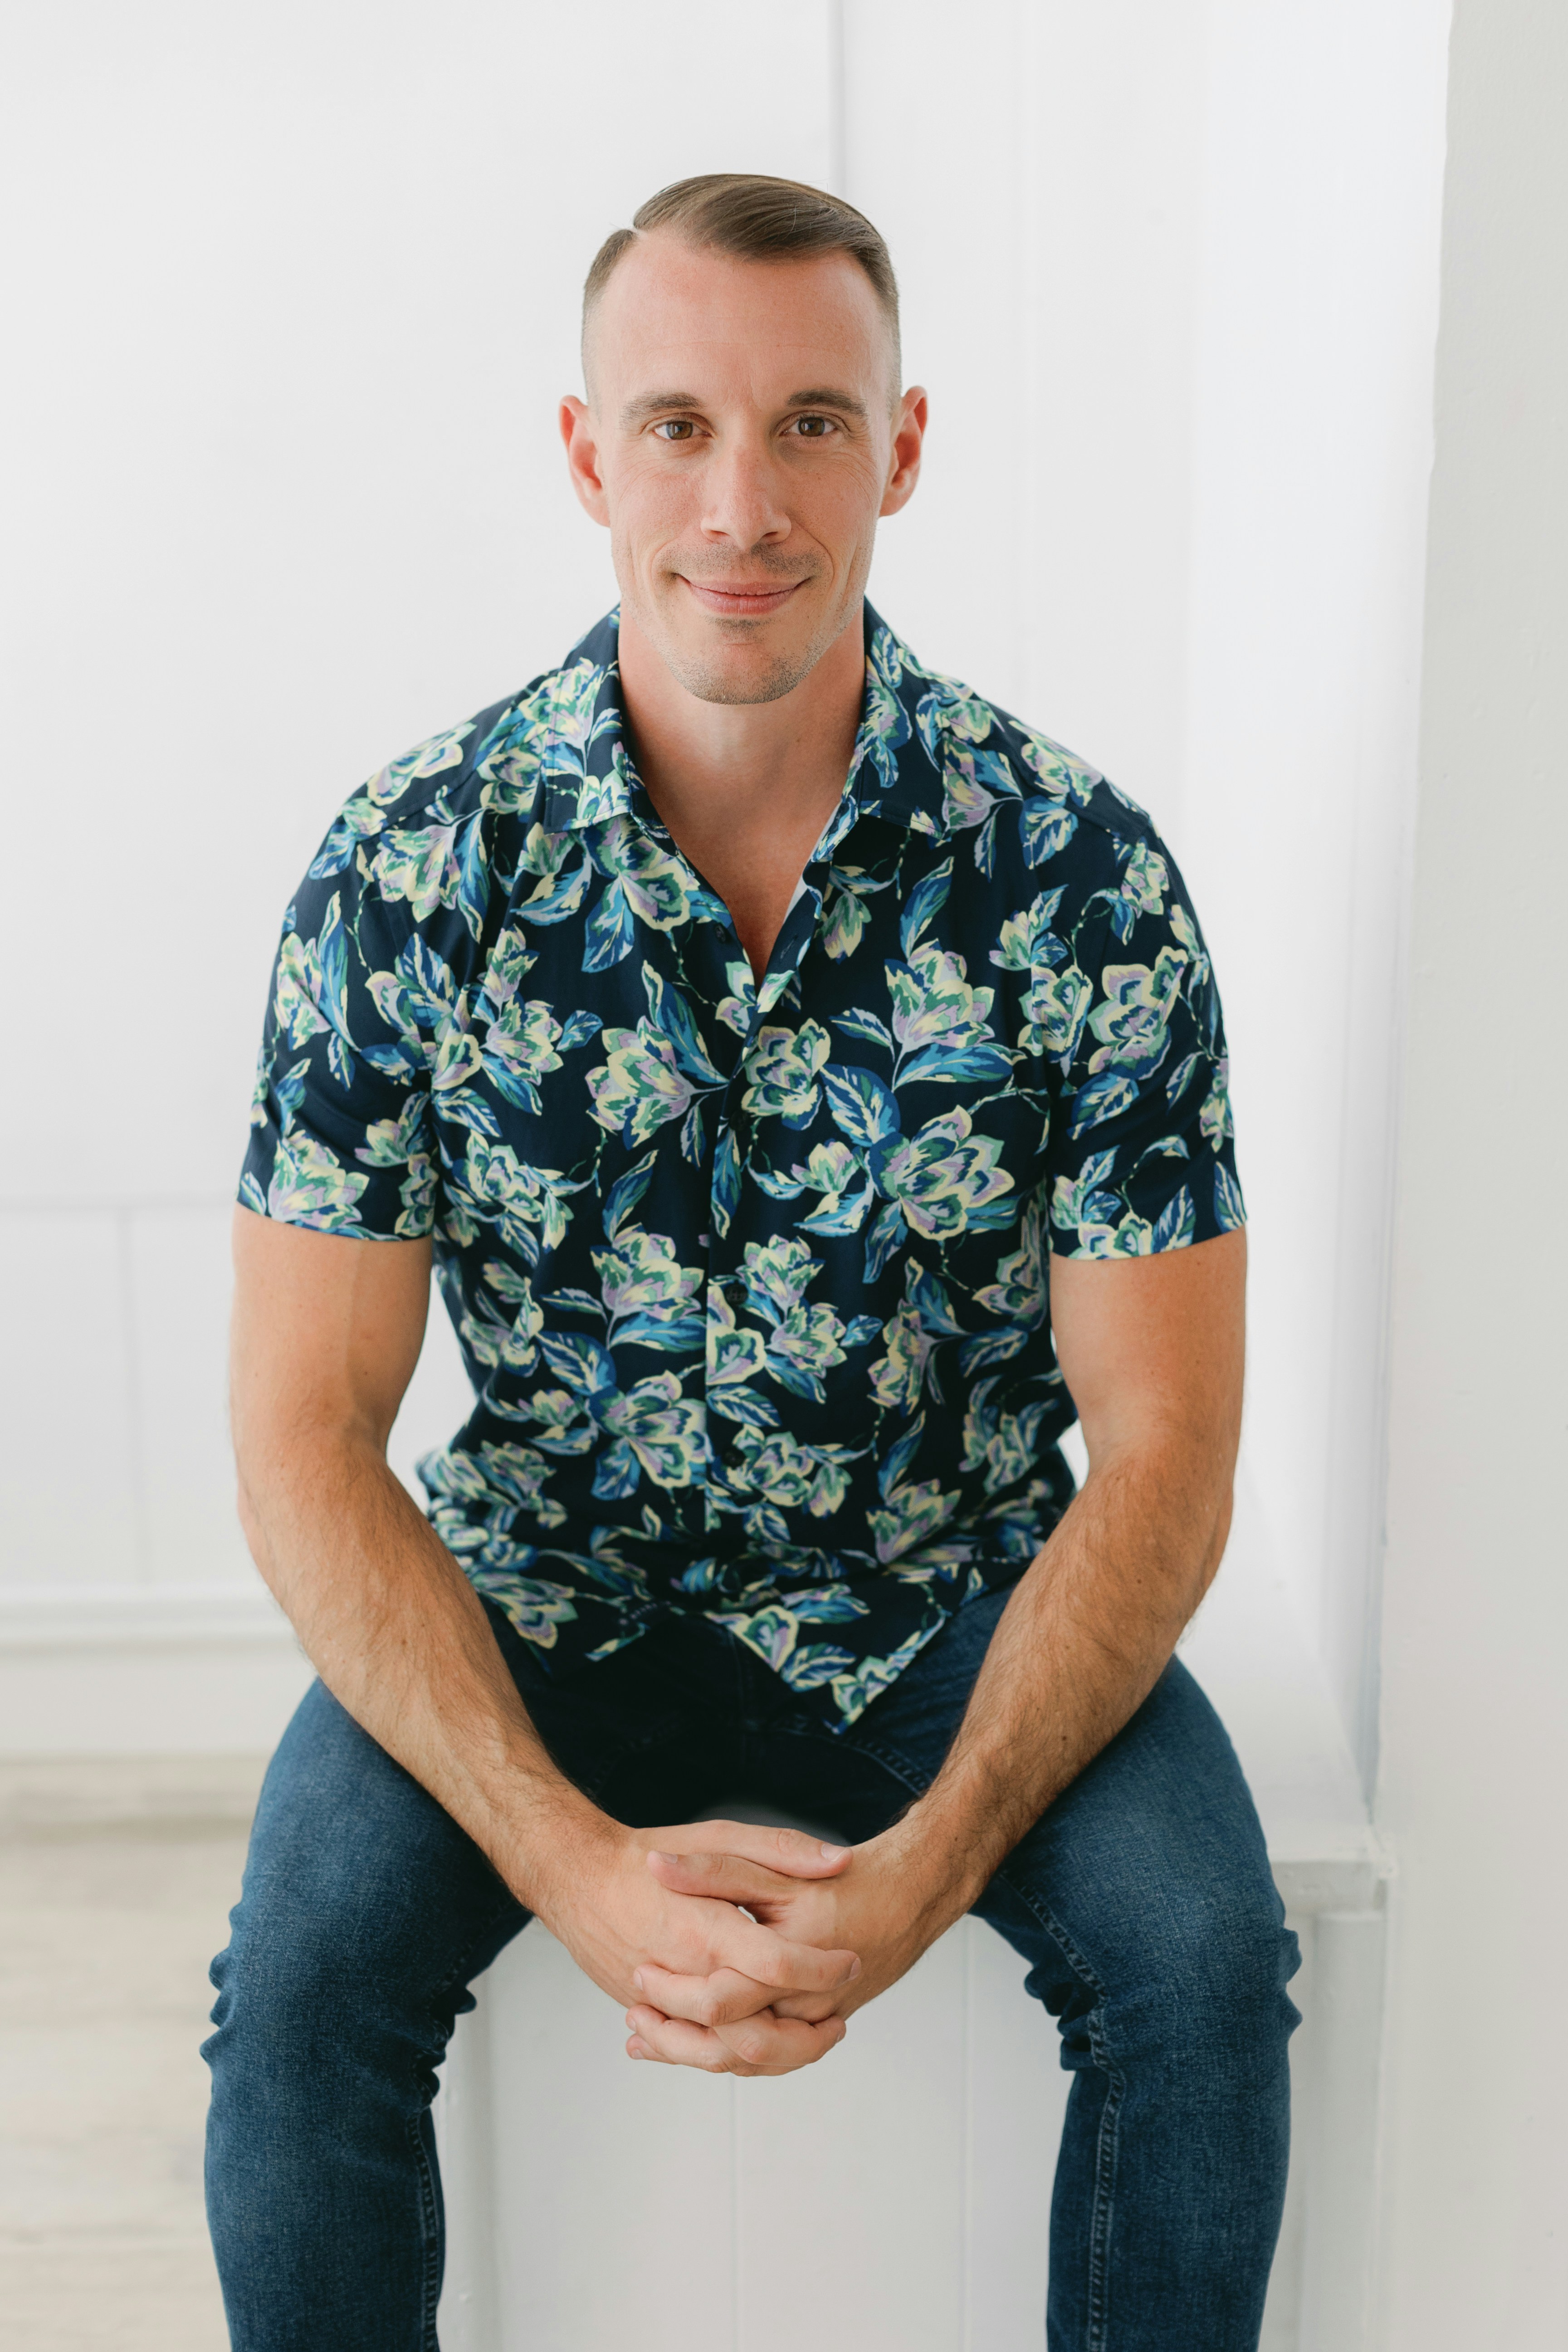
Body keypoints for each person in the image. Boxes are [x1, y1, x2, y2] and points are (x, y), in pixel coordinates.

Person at [204, 172, 1299, 2351]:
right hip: (542, 1592)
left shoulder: (1082, 882)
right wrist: (561, 1857)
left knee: (1202, 1972)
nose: (741, 501)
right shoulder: (406, 872)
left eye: (811, 423)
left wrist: (932, 1866)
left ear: (901, 451)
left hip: (953, 1587)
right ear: (586, 453)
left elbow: (1169, 1438)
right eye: (677, 425)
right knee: (300, 1989)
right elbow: (303, 1434)